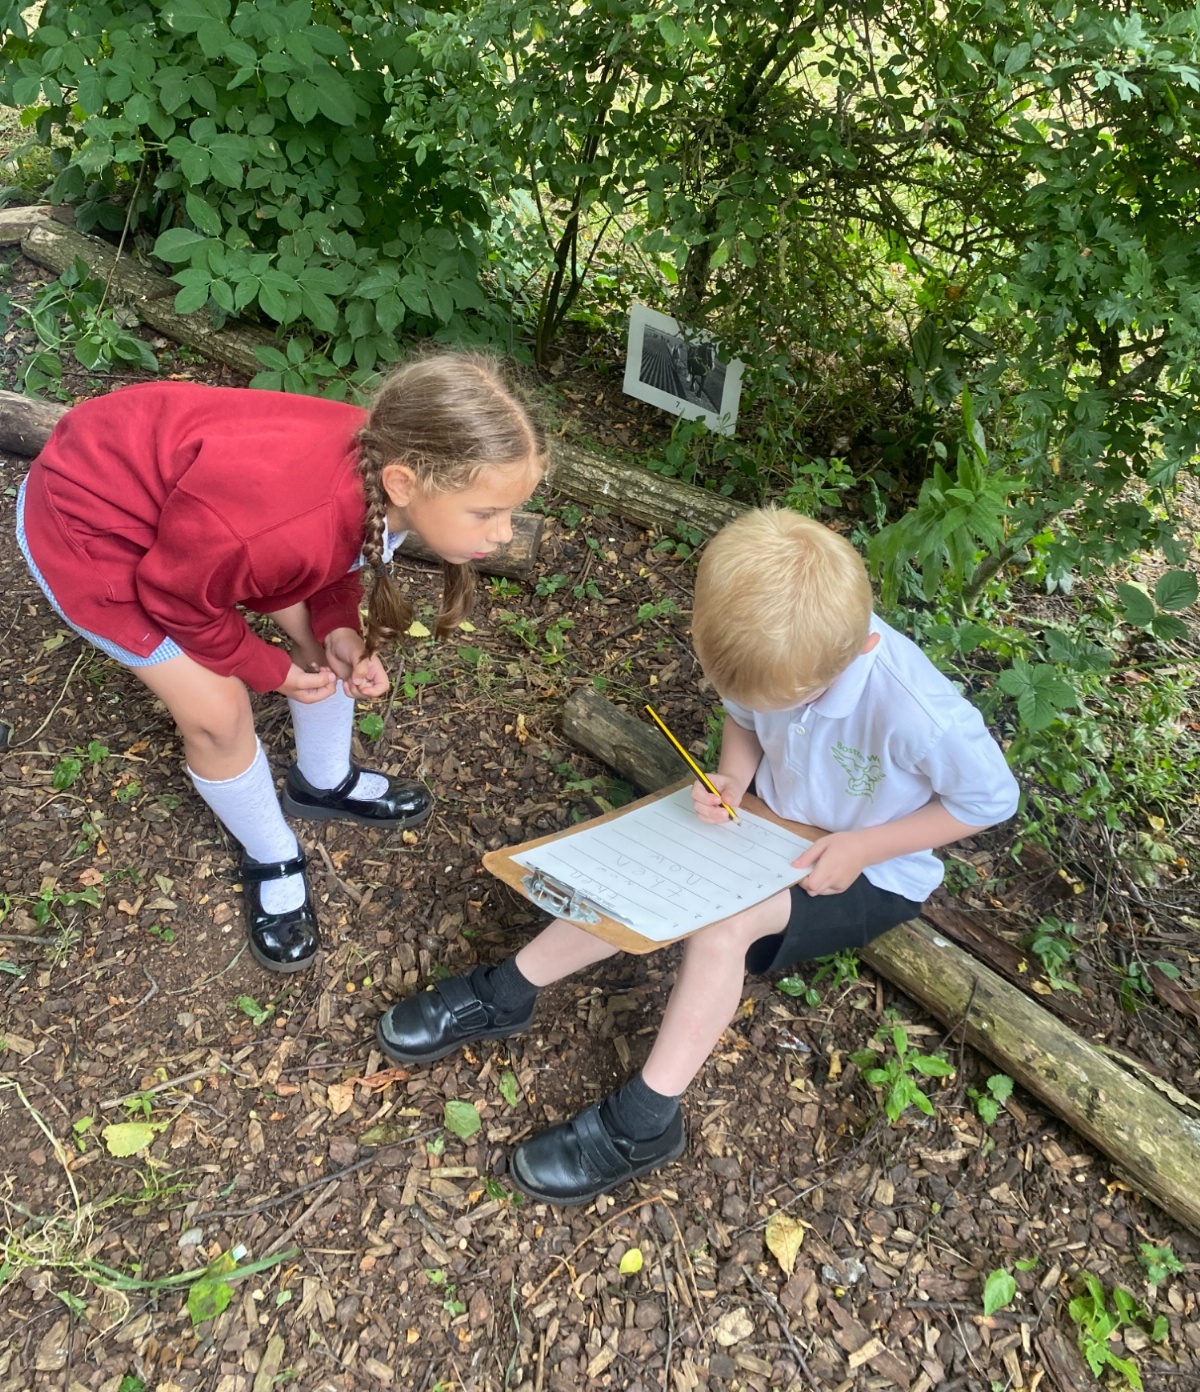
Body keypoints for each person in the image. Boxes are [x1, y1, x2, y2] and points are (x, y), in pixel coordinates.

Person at [377, 508, 1019, 1204]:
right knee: (650, 860)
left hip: (871, 870)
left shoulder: (918, 711)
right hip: (767, 821)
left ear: (858, 653)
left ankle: (646, 1122)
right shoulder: (779, 648)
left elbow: (990, 801)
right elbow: (745, 717)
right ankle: (506, 993)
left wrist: (866, 846)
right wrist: (734, 777)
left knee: (722, 926)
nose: (746, 703)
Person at [18, 353, 547, 973]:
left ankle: (321, 782)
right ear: (404, 484)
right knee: (217, 711)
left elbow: (336, 555)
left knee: (329, 648)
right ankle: (271, 852)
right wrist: (268, 669)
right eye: (486, 513)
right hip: (91, 526)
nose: (504, 534)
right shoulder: (290, 522)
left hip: (199, 523)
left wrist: (337, 625)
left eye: (509, 513)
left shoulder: (387, 466)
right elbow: (178, 599)